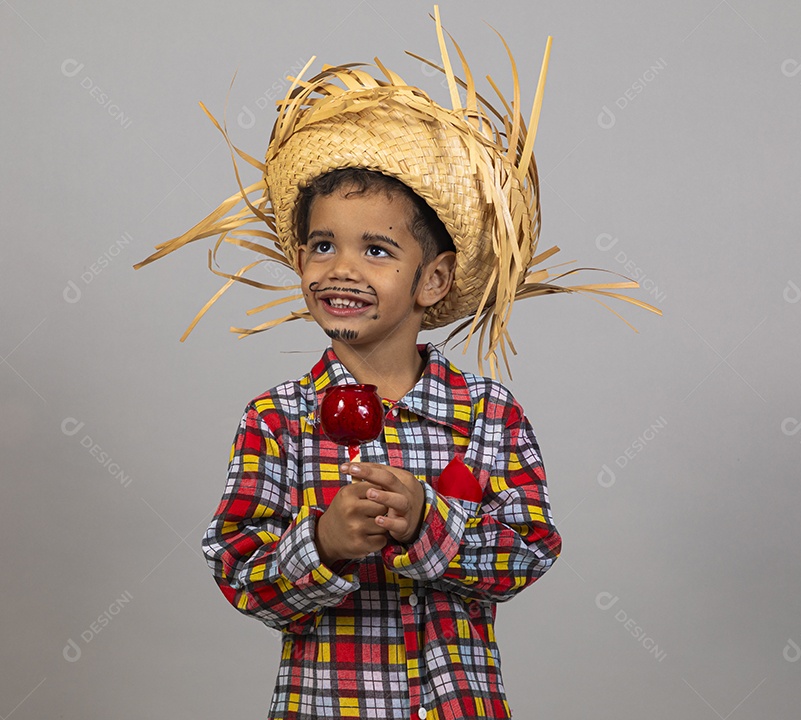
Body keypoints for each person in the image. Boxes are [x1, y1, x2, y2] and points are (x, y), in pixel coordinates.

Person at [133, 7, 658, 718]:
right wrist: (322, 541)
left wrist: (428, 522)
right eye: (323, 246)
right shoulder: (278, 419)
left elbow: (528, 549)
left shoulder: (489, 415)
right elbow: (238, 570)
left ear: (433, 279)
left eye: (375, 250)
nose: (340, 269)